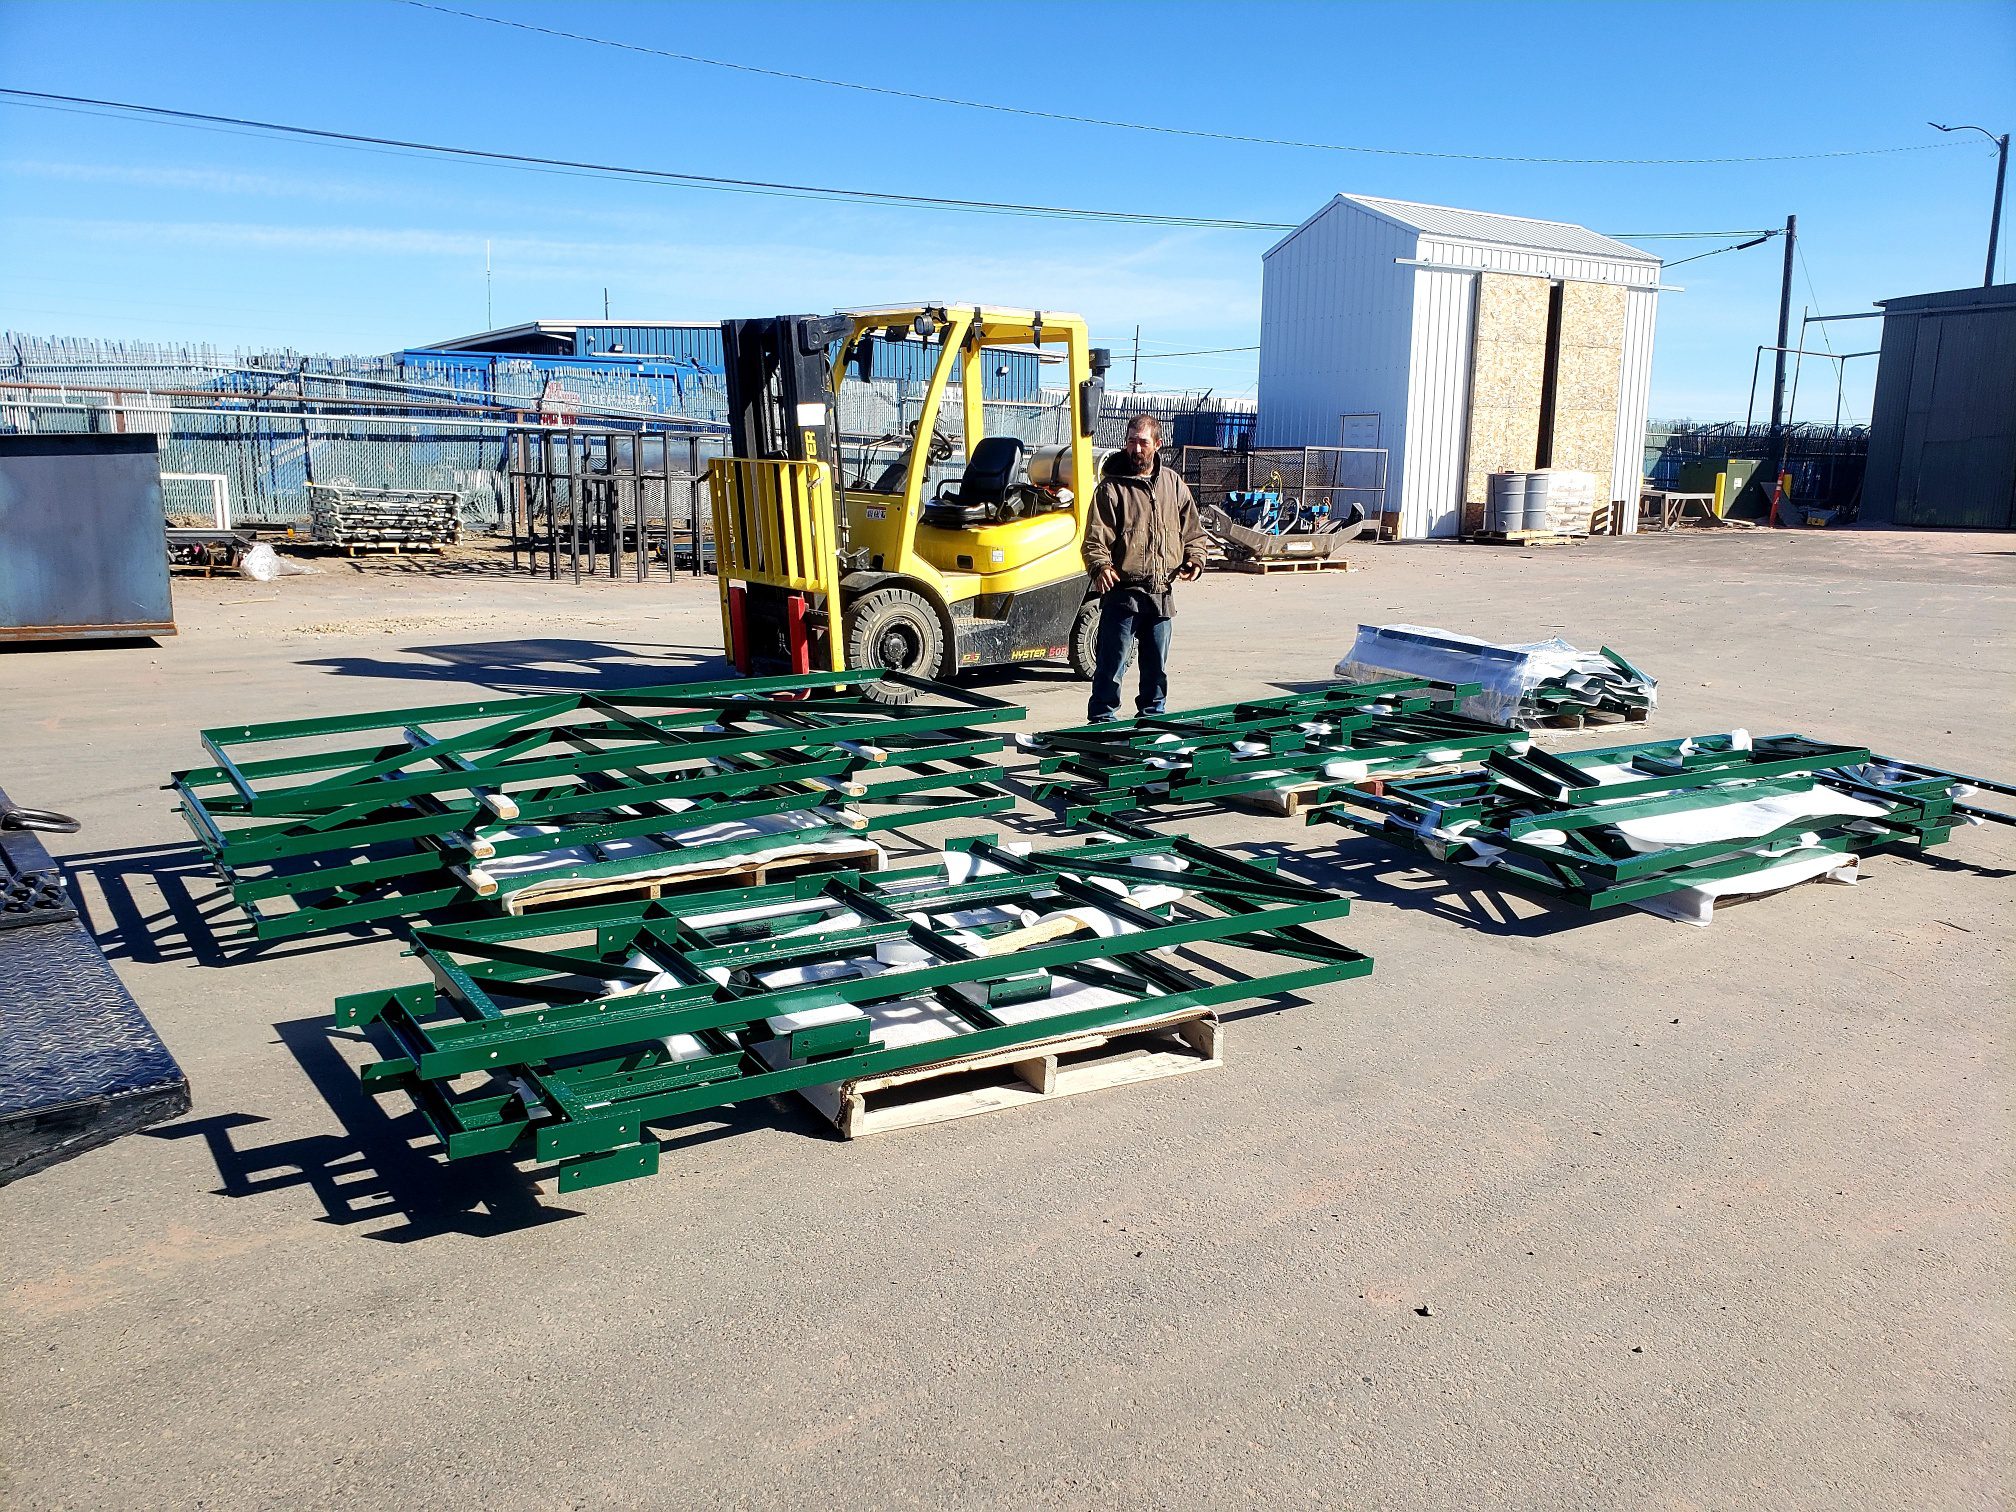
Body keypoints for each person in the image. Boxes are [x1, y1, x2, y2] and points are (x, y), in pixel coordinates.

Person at [1080, 414, 1210, 722]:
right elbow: (1094, 539)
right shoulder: (1111, 489)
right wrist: (1100, 566)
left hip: (1161, 594)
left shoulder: (1173, 485)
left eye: (1142, 442)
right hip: (1122, 595)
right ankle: (1102, 725)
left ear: (1157, 444)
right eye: (1130, 442)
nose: (1136, 449)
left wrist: (1196, 558)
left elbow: (1194, 531)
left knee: (1156, 671)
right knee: (1111, 667)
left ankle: (1151, 723)